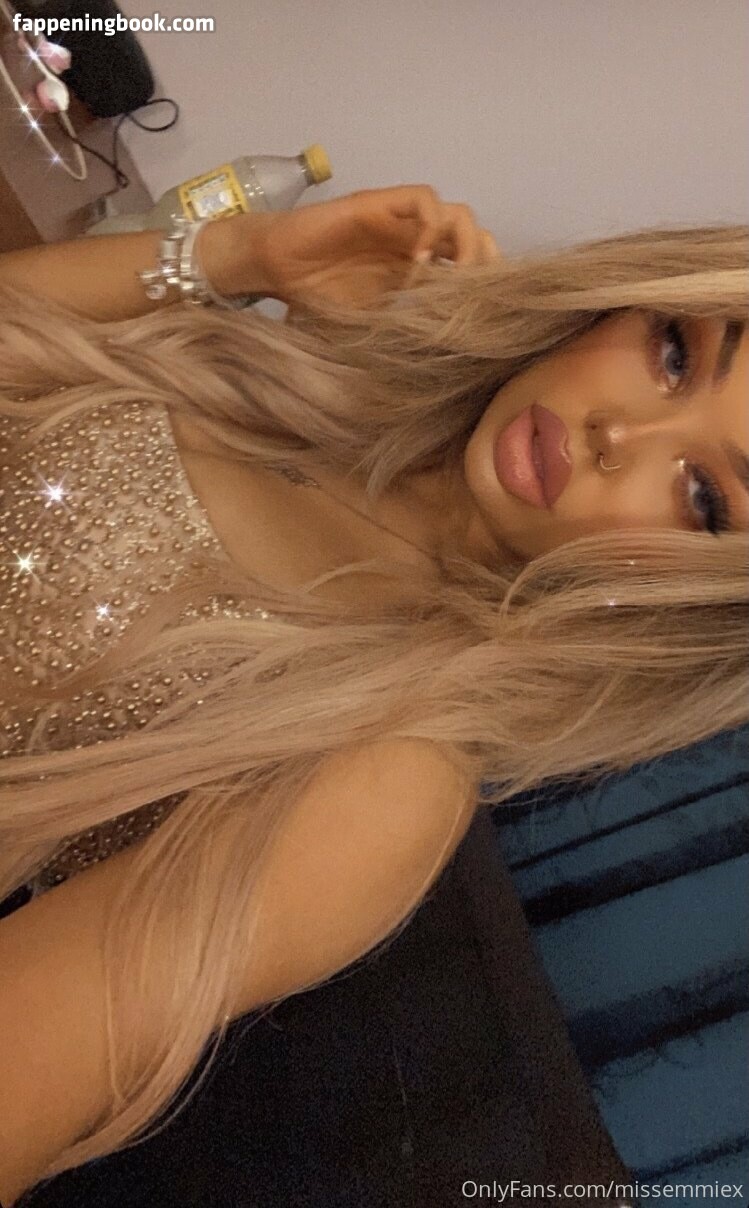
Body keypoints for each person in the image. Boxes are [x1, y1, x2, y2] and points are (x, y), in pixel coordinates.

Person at [0, 185, 746, 1204]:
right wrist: (241, 255)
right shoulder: (307, 378)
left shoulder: (389, 774)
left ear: (690, 607)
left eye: (701, 497)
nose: (620, 430)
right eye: (673, 352)